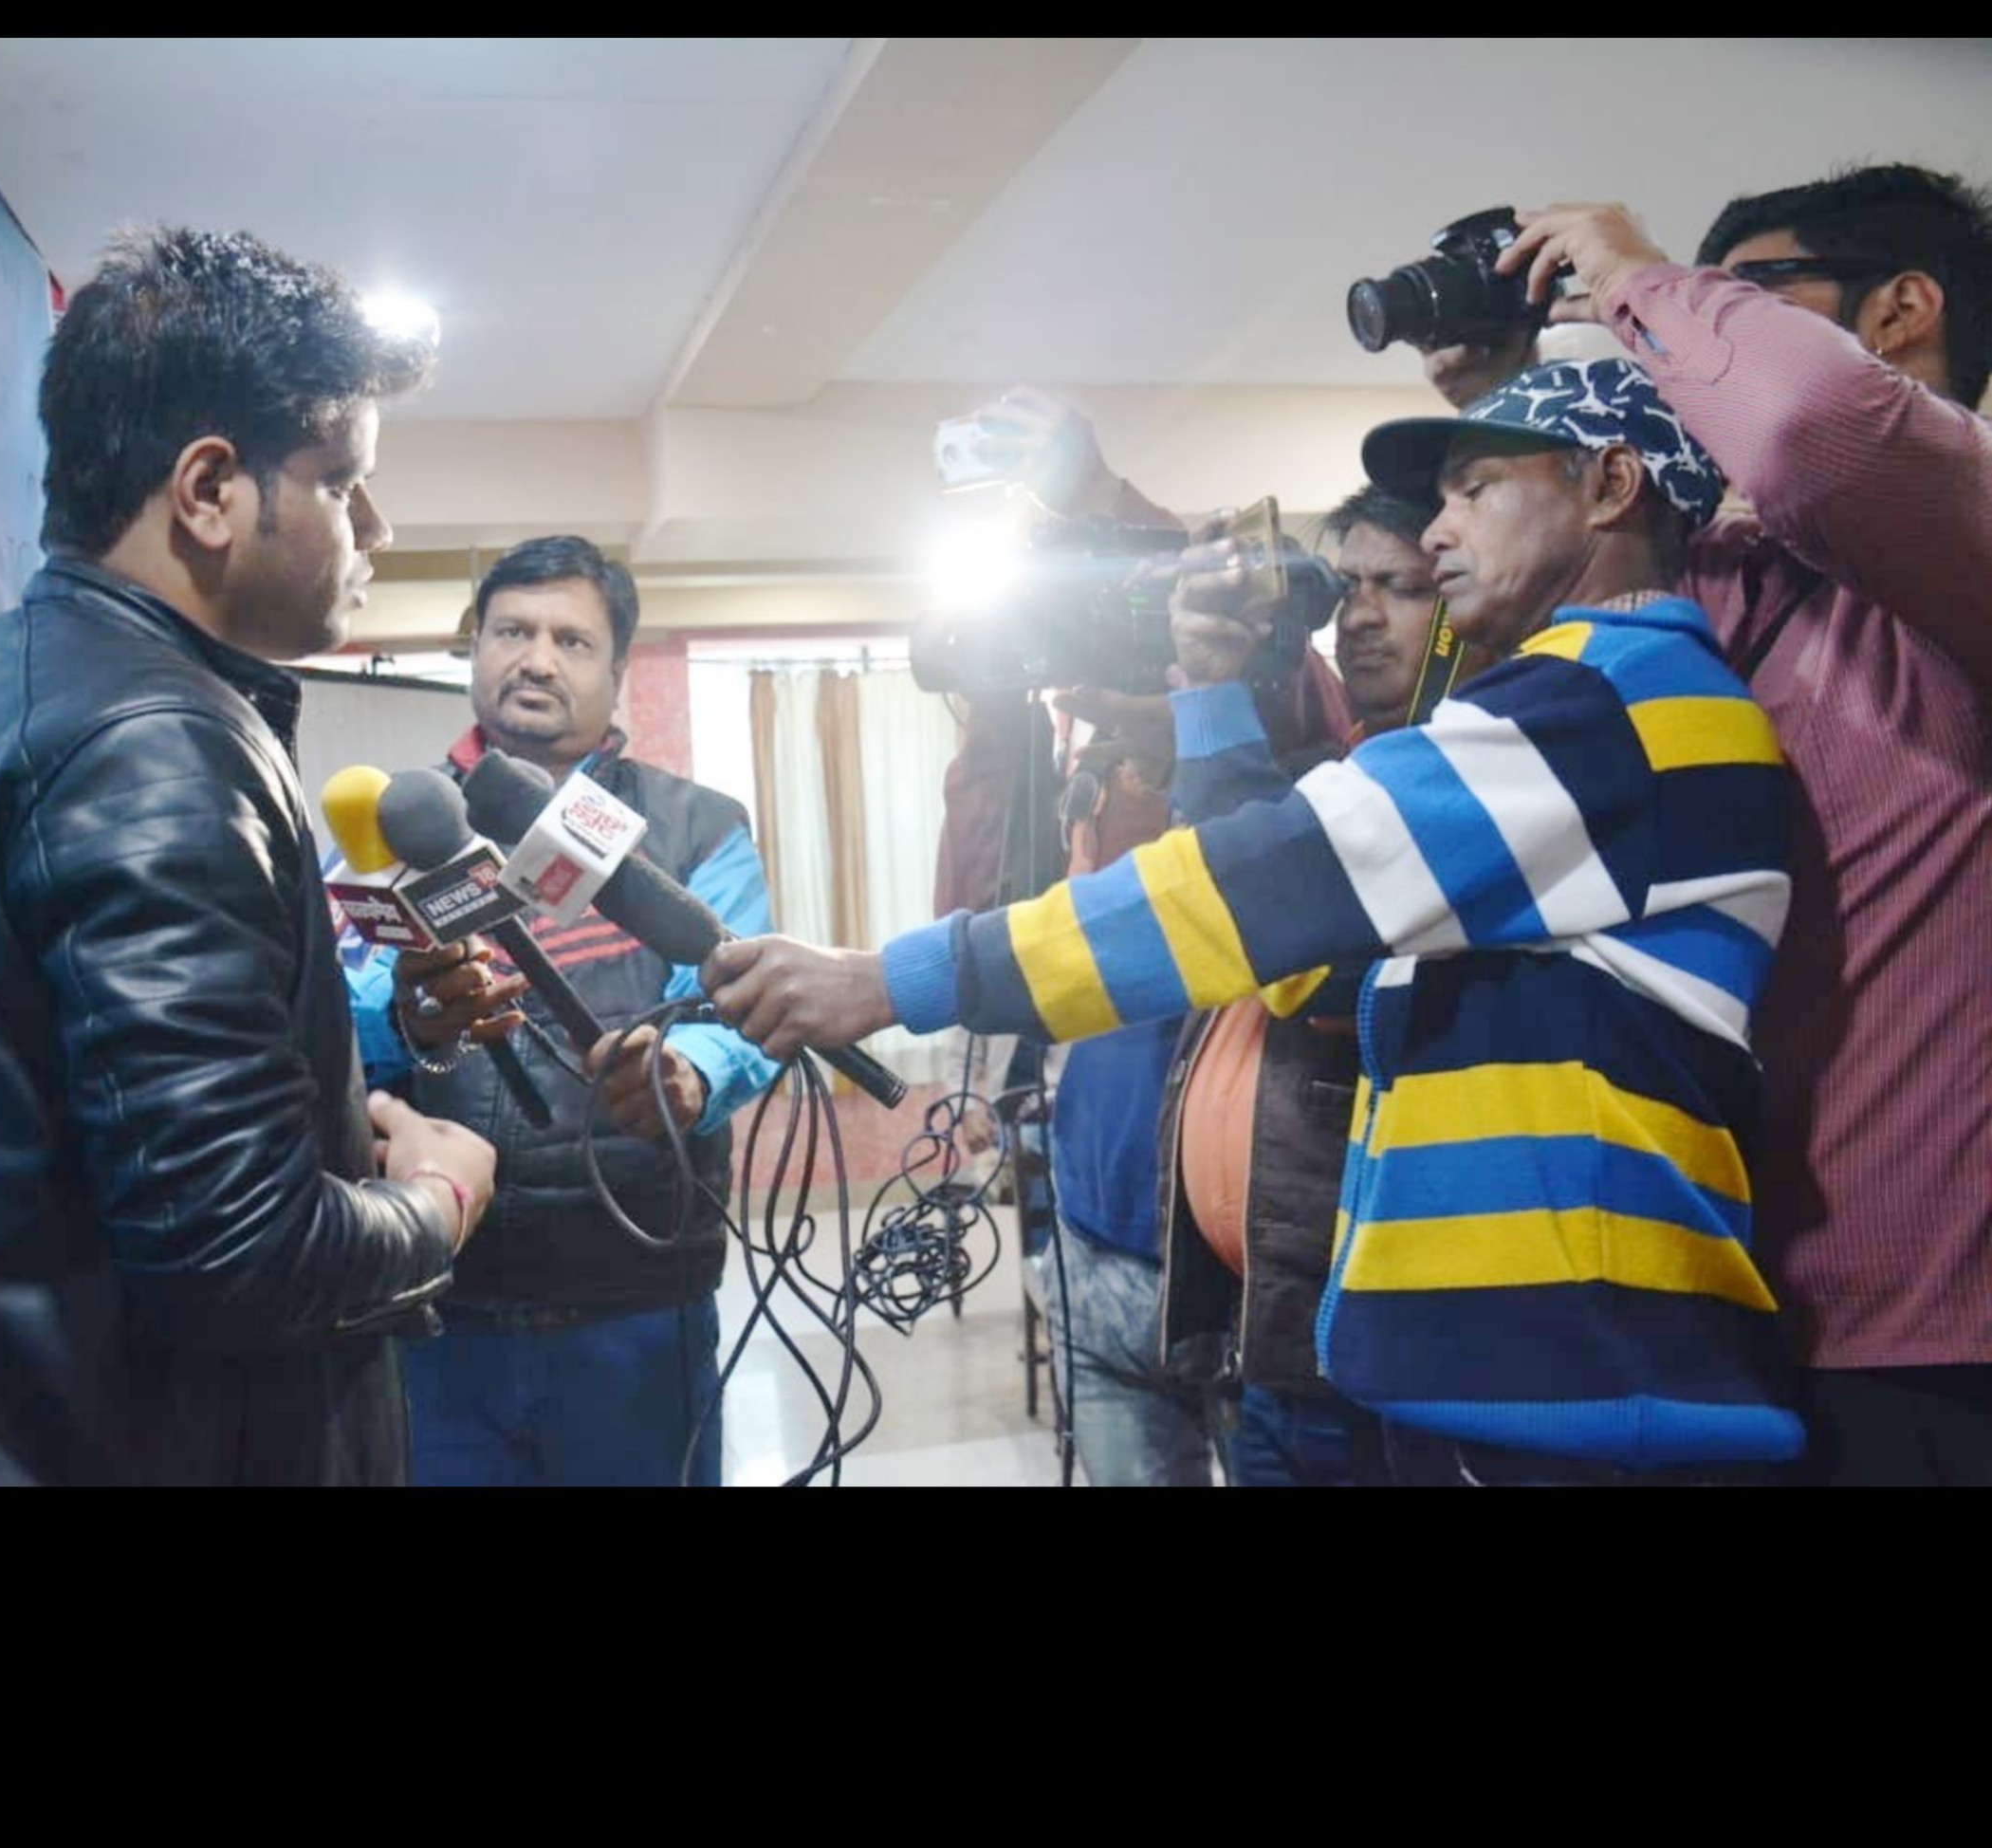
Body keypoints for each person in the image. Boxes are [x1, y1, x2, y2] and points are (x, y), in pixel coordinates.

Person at [706, 359, 1805, 1485]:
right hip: (1528, 1377)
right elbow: (1302, 955)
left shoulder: (1595, 704)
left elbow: (1256, 886)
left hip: (1578, 1388)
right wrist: (1208, 686)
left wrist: (892, 980)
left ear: (1612, 485)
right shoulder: (1593, 707)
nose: (1439, 532)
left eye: (1475, 490)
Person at [0, 224, 498, 1488]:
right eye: (340, 481)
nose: (376, 523)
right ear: (208, 490)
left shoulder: (32, 691)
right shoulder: (153, 745)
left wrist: (320, 1135)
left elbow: (131, 1169)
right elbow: (242, 1257)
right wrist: (439, 1199)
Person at [1501, 167, 1992, 1485]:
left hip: (1931, 1345)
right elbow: (1455, 682)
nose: (1691, 330)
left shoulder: (1971, 536)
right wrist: (1492, 415)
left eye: (1748, 293)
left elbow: (1819, 424)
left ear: (1901, 309)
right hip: (1703, 1306)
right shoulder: (1723, 579)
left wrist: (1635, 273)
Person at [923, 389, 1347, 1485]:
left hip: (1243, 1277)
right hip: (1096, 1251)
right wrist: (999, 707)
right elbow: (974, 908)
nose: (1101, 673)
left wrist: (1107, 503)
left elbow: (1287, 682)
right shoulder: (1089, 784)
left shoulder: (1295, 777)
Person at [347, 535, 779, 1488]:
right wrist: (410, 1023)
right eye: (513, 631)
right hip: (439, 1310)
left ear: (617, 674)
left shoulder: (698, 828)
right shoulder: (397, 831)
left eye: (572, 641)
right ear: (474, 649)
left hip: (638, 1308)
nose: (537, 659)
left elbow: (740, 1005)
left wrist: (688, 1074)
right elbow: (338, 1034)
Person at [1158, 483, 1491, 1487]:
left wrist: (1211, 701)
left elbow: (1300, 964)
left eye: (1402, 587)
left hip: (1377, 1355)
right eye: (1347, 588)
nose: (1359, 616)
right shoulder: (1329, 773)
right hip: (1272, 1336)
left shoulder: (1471, 781)